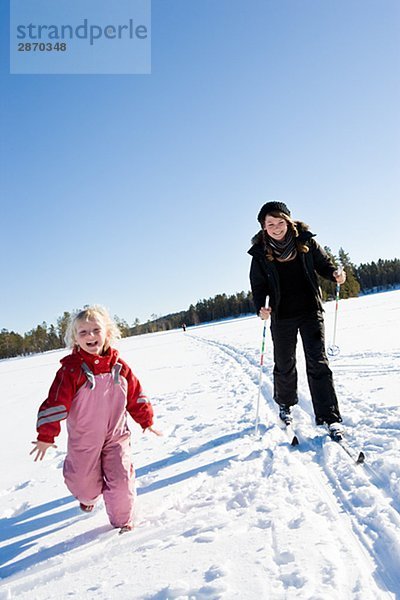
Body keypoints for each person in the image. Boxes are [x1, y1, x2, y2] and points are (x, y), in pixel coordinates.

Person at [30, 305, 161, 532]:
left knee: (121, 480)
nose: (90, 336)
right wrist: (46, 435)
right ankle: (88, 499)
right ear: (75, 339)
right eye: (83, 332)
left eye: (95, 330)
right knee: (83, 484)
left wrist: (146, 420)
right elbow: (55, 403)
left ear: (107, 333)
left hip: (116, 436)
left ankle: (123, 522)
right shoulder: (71, 371)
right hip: (85, 439)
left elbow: (135, 394)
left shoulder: (119, 367)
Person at [248, 201, 346, 436]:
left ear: (288, 221)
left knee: (318, 362)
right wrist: (261, 307)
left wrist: (335, 274)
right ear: (264, 227)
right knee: (284, 363)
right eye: (270, 224)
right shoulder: (260, 253)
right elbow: (258, 286)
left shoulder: (306, 241)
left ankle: (329, 415)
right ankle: (285, 405)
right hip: (282, 315)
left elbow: (324, 265)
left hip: (310, 310)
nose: (276, 227)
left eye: (280, 222)